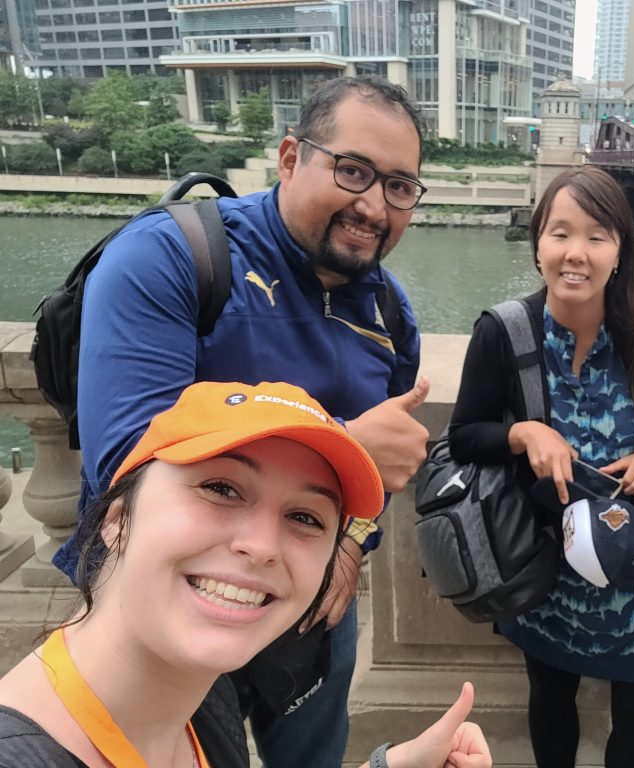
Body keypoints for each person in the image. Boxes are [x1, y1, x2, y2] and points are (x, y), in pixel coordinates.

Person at [57, 74, 431, 768]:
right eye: (353, 171)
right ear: (291, 158)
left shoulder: (388, 309)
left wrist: (352, 537)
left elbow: (381, 467)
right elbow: (128, 462)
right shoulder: (169, 258)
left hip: (311, 597)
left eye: (399, 187)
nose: (374, 206)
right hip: (171, 595)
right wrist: (344, 443)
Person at [0, 381, 491, 768]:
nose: (260, 547)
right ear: (116, 520)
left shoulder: (201, 695)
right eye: (220, 488)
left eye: (305, 518)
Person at [448, 166, 634, 768]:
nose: (576, 254)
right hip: (547, 572)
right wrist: (524, 432)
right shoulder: (505, 332)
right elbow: (465, 437)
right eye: (559, 234)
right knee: (551, 706)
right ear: (538, 244)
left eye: (597, 236)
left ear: (621, 251)